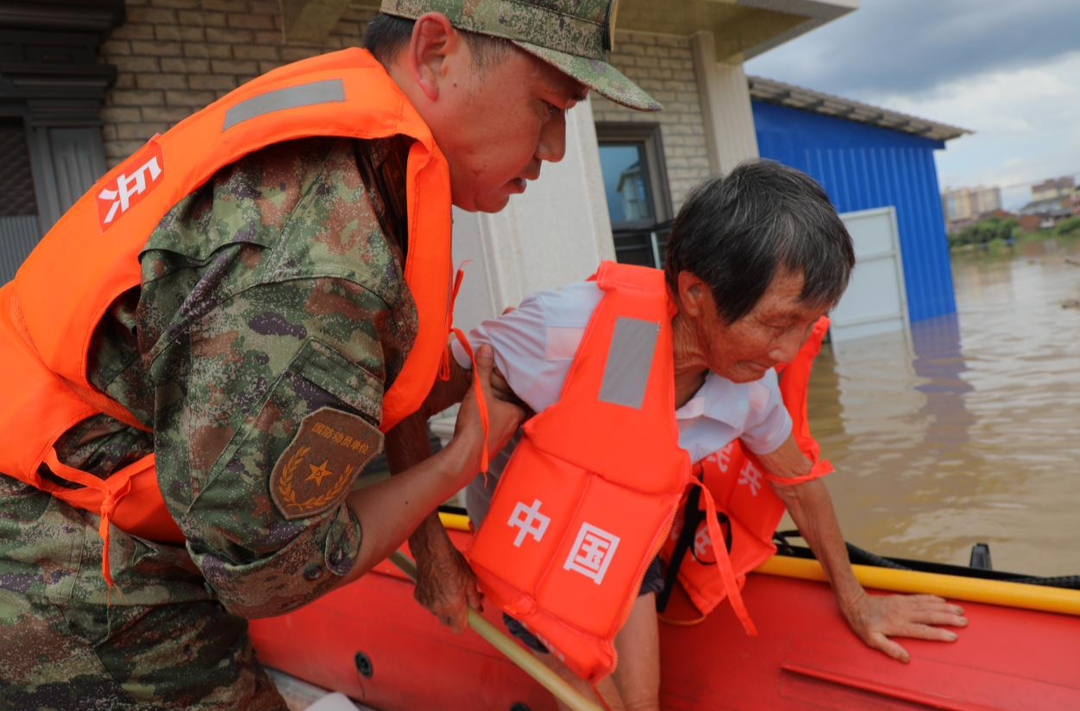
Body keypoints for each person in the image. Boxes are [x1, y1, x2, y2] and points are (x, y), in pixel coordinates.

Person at [0, 1, 661, 709]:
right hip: (58, 551)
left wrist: (435, 542)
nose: (556, 147)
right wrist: (455, 462)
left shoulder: (358, 138)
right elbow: (262, 572)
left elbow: (392, 374)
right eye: (547, 105)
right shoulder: (319, 260)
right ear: (435, 51)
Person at [412, 162, 970, 711]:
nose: (790, 352)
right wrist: (432, 548)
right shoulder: (567, 334)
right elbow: (405, 404)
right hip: (531, 552)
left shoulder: (749, 387)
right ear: (696, 293)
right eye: (778, 324)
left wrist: (858, 603)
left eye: (809, 325)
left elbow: (799, 484)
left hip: (621, 544)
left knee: (644, 702)